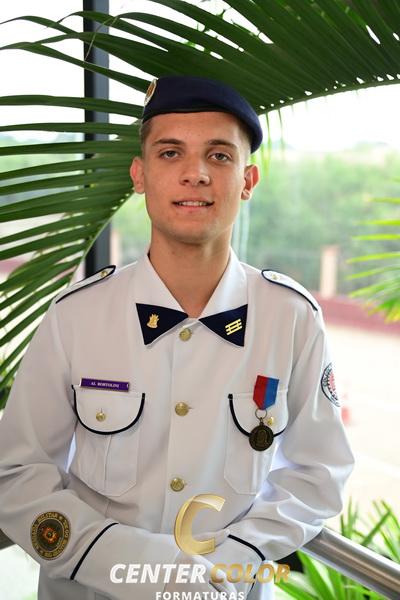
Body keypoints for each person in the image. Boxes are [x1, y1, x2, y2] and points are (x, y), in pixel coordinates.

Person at [0, 75, 354, 600]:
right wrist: (147, 569)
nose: (195, 173)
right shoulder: (76, 316)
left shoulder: (292, 318)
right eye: (170, 153)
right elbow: (18, 474)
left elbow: (319, 474)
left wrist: (231, 563)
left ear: (248, 180)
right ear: (140, 175)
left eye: (219, 156)